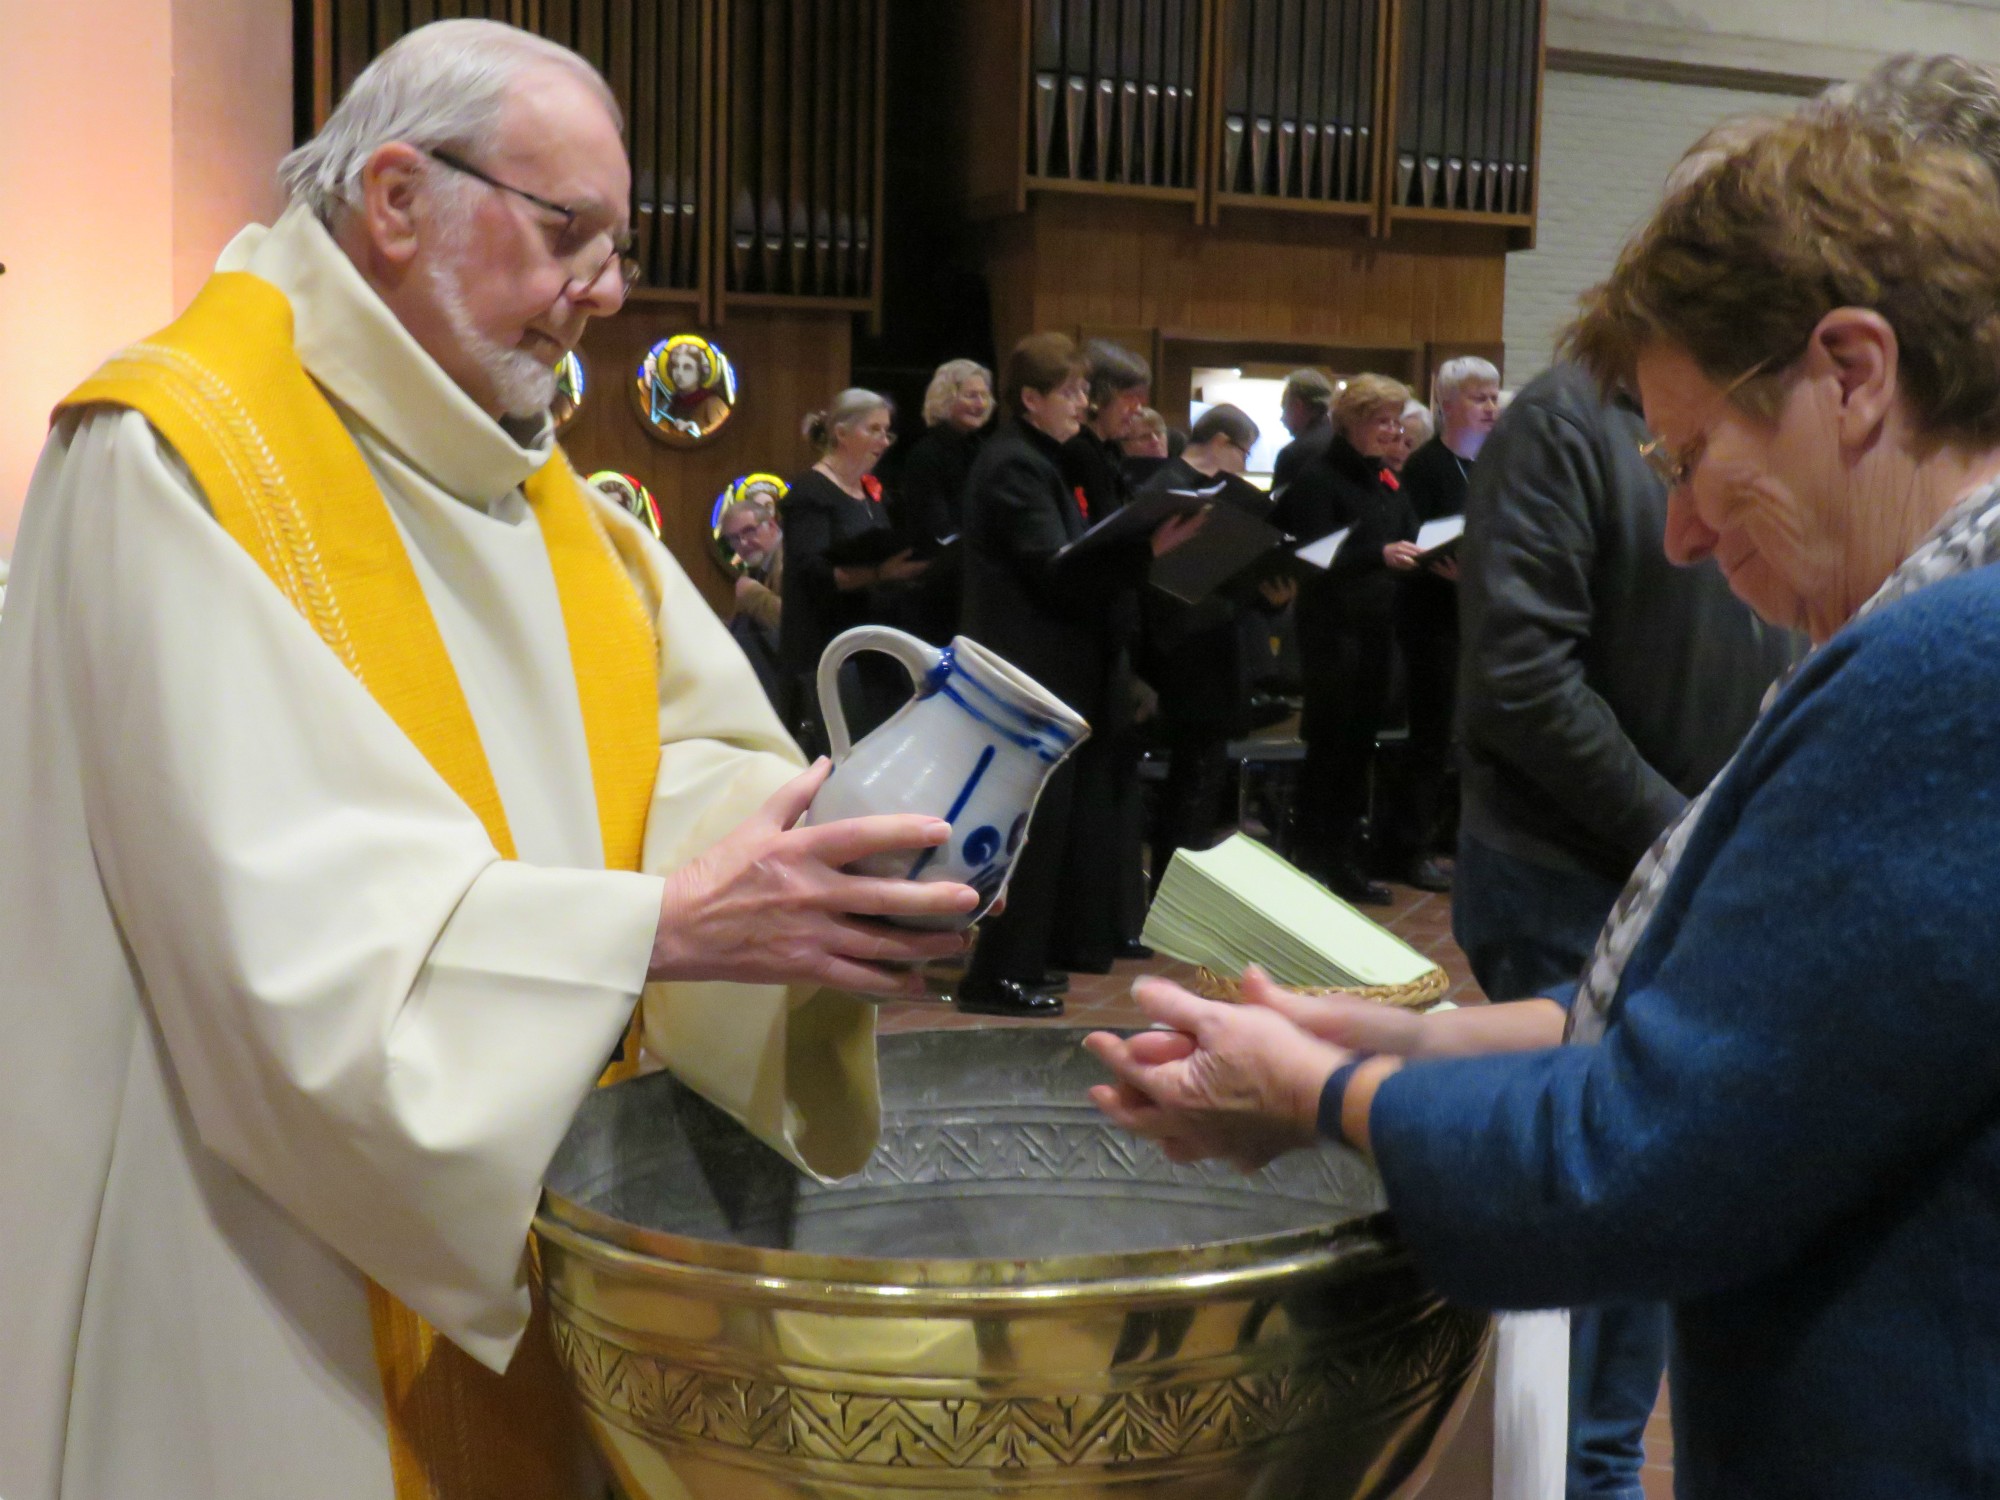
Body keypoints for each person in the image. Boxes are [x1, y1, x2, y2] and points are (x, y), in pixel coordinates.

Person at [0, 23, 983, 1500]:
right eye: (569, 230)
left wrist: (826, 867)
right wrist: (668, 926)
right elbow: (288, 945)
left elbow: (686, 758)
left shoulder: (538, 491)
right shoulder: (182, 458)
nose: (609, 286)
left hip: (518, 1226)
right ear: (397, 199)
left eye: (618, 242)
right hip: (253, 1242)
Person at [1087, 99, 2000, 1500]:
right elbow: (1769, 1047)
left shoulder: (1952, 658)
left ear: (1854, 374)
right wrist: (1399, 1039)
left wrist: (1327, 1095)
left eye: (1693, 460)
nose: (1684, 535)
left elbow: (1656, 1163)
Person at [955, 333, 1205, 1016]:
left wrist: (1140, 549)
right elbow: (1052, 566)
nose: (1082, 403)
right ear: (1030, 399)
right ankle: (995, 975)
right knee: (1027, 826)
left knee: (1049, 823)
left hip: (1054, 664)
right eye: (1068, 392)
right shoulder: (1013, 465)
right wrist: (1143, 548)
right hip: (1026, 665)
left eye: (1083, 392)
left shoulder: (1043, 460)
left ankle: (1024, 961)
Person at [1269, 373, 1418, 905]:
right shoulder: (1319, 479)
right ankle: (1314, 861)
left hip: (1376, 628)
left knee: (1359, 749)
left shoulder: (1384, 478)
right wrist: (1376, 556)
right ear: (1352, 422)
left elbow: (1405, 532)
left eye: (1396, 421)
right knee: (1330, 748)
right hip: (1332, 630)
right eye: (1382, 421)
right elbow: (1309, 557)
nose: (1391, 431)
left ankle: (1343, 861)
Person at [1136, 403, 1289, 883]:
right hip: (1179, 652)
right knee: (1189, 781)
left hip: (1217, 646)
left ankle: (1187, 886)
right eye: (1244, 452)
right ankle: (1167, 886)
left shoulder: (1230, 496)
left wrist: (1272, 598)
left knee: (1205, 779)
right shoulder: (1164, 487)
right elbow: (1155, 580)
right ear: (1221, 442)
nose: (1244, 463)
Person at [1377, 355, 1502, 893]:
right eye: (1478, 398)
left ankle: (1457, 840)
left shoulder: (1494, 462)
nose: (1491, 407)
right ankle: (1410, 847)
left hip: (1480, 616)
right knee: (1430, 737)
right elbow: (1416, 539)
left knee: (1469, 738)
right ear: (1447, 406)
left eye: (1494, 397)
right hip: (1432, 617)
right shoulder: (1427, 467)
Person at [779, 388, 927, 749]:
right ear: (841, 433)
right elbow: (814, 576)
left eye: (886, 431)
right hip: (824, 653)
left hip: (870, 651)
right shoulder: (811, 493)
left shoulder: (872, 495)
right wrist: (879, 574)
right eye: (873, 430)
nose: (883, 441)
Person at [895, 356, 993, 547]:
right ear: (946, 398)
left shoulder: (984, 449)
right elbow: (936, 528)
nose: (981, 404)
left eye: (984, 396)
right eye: (971, 395)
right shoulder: (926, 455)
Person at [719, 488, 790, 717]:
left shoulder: (789, 558)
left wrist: (753, 595)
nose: (743, 543)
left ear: (771, 525)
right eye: (733, 538)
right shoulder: (756, 568)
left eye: (749, 531)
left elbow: (793, 624)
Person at [1271, 367, 1336, 497]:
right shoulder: (1345, 442)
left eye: (1284, 408)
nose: (1282, 419)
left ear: (1297, 406)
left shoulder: (1293, 454)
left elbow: (1279, 510)